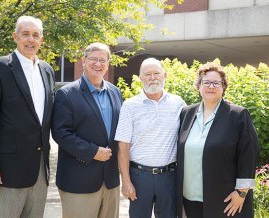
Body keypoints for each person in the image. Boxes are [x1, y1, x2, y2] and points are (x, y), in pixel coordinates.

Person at [0, 16, 55, 218]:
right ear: (15, 37)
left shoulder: (47, 70)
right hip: (6, 171)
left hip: (40, 171)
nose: (31, 40)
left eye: (36, 35)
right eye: (26, 34)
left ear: (41, 40)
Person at [177, 62, 259, 218]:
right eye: (206, 82)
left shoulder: (238, 115)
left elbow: (249, 154)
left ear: (223, 87)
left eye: (216, 83)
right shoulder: (186, 113)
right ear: (199, 86)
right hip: (189, 198)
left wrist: (241, 193)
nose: (211, 86)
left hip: (225, 199)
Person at [51, 42, 123, 218]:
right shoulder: (67, 94)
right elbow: (61, 133)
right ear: (83, 61)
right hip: (79, 181)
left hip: (110, 181)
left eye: (102, 60)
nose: (98, 64)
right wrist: (92, 152)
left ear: (108, 64)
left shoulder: (115, 92)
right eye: (93, 59)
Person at [115, 58, 186, 218]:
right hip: (140, 177)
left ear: (165, 75)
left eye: (156, 73)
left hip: (169, 177)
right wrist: (126, 181)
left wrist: (219, 107)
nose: (152, 77)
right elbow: (123, 146)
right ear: (140, 78)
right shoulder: (130, 106)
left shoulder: (178, 103)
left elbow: (196, 123)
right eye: (147, 74)